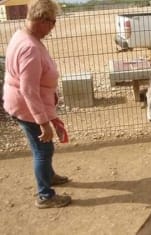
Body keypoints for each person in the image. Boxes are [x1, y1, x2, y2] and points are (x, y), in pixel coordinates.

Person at [2, 0, 71, 208]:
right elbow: (29, 90)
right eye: (52, 22)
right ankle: (45, 195)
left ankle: (48, 176)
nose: (53, 27)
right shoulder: (29, 48)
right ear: (41, 20)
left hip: (23, 104)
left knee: (41, 148)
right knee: (43, 150)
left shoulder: (23, 35)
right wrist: (43, 122)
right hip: (27, 108)